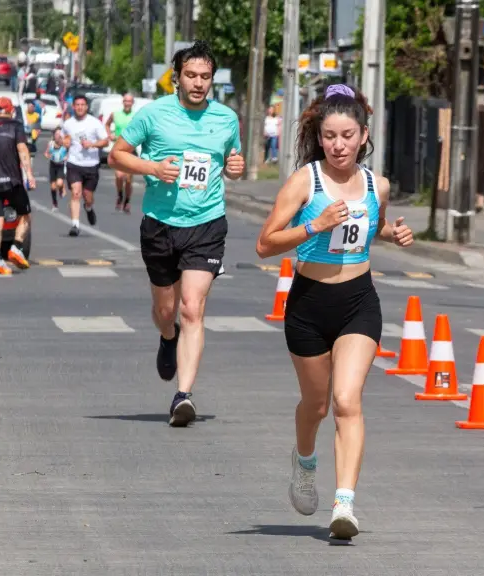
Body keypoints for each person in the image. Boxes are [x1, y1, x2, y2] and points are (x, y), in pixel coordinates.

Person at [255, 83, 414, 540]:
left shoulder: (378, 185)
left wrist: (393, 234)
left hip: (358, 303)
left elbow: (371, 226)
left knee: (347, 401)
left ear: (364, 136)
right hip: (308, 304)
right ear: (319, 137)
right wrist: (314, 226)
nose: (339, 145)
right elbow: (265, 244)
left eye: (347, 136)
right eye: (330, 136)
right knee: (317, 404)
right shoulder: (305, 182)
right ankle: (305, 463)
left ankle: (344, 504)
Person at [107, 40, 245, 427]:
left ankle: (183, 396)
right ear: (177, 78)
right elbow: (116, 155)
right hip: (160, 224)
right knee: (167, 312)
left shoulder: (226, 118)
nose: (198, 83)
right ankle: (168, 336)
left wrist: (234, 168)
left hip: (207, 223)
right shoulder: (154, 114)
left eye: (205, 76)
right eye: (191, 75)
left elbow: (231, 162)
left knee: (192, 308)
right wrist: (153, 168)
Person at [0, 97, 35, 276]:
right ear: (11, 110)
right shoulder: (15, 126)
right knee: (25, 215)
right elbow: (22, 150)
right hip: (12, 181)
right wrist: (29, 175)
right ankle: (16, 247)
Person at [61, 94, 109, 237]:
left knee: (88, 196)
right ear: (73, 107)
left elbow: (105, 141)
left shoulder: (94, 123)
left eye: (82, 105)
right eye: (77, 105)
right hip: (74, 163)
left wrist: (92, 144)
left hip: (91, 164)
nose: (80, 107)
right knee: (76, 193)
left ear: (87, 107)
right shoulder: (68, 124)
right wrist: (64, 142)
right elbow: (63, 139)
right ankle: (75, 225)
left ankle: (88, 208)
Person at [106, 93, 137, 213]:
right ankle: (120, 195)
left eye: (129, 101)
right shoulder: (115, 114)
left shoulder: (136, 116)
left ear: (132, 103)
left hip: (131, 150)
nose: (127, 103)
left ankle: (127, 200)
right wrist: (110, 134)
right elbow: (107, 124)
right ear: (123, 102)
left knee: (128, 179)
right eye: (125, 101)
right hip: (118, 149)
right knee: (119, 176)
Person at [44, 128, 68, 211]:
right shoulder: (50, 143)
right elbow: (46, 153)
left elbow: (70, 153)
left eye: (60, 134)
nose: (58, 136)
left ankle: (61, 188)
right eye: (57, 134)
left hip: (61, 165)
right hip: (53, 165)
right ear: (54, 136)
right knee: (53, 187)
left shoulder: (65, 145)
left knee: (59, 183)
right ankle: (54, 204)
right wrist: (48, 156)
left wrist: (66, 157)